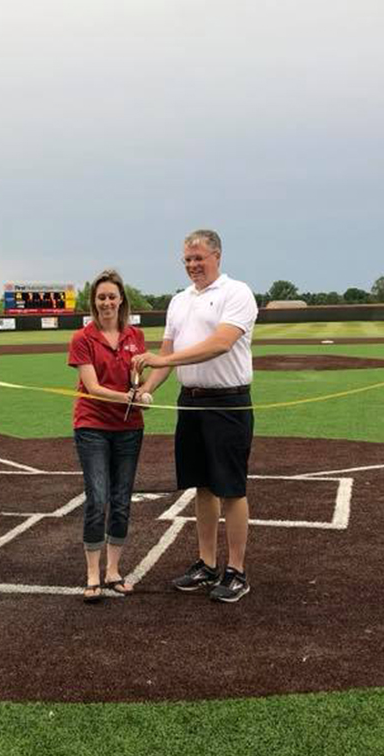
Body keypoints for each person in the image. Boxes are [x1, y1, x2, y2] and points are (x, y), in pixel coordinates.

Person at [132, 229, 258, 603]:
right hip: (191, 402)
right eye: (187, 259)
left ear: (217, 256)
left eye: (198, 258)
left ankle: (236, 570)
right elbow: (166, 352)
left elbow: (220, 343)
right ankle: (206, 564)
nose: (192, 265)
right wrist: (148, 388)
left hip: (228, 403)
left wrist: (163, 360)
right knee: (202, 486)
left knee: (231, 488)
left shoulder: (236, 293)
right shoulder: (179, 301)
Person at [67, 269, 150, 602]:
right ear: (94, 301)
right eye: (101, 297)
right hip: (93, 427)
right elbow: (93, 387)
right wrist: (130, 397)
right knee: (98, 497)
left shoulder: (136, 336)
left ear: (121, 300)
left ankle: (113, 571)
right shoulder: (83, 338)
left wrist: (141, 392)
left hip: (129, 428)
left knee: (121, 500)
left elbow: (135, 379)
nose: (106, 302)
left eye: (112, 296)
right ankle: (91, 574)